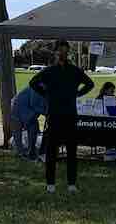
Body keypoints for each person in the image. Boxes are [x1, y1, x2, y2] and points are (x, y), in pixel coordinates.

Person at [29, 40, 94, 194]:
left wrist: (76, 94)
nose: (63, 54)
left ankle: (70, 183)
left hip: (68, 115)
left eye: (64, 51)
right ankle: (51, 183)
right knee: (53, 151)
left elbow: (90, 84)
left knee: (70, 151)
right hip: (56, 114)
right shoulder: (51, 71)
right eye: (61, 51)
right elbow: (33, 83)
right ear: (57, 53)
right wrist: (47, 95)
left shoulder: (73, 71)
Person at [10, 84, 47, 159]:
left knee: (33, 128)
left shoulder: (43, 91)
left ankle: (30, 151)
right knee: (19, 131)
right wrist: (46, 112)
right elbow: (34, 104)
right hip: (20, 109)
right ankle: (21, 152)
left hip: (28, 113)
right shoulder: (35, 89)